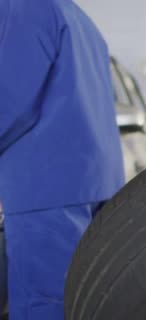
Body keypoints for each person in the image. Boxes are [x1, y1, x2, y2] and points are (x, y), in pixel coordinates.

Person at [0, 0, 124, 318]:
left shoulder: (24, 7)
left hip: (42, 186)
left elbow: (10, 98)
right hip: (89, 182)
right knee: (80, 299)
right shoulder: (78, 17)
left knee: (44, 304)